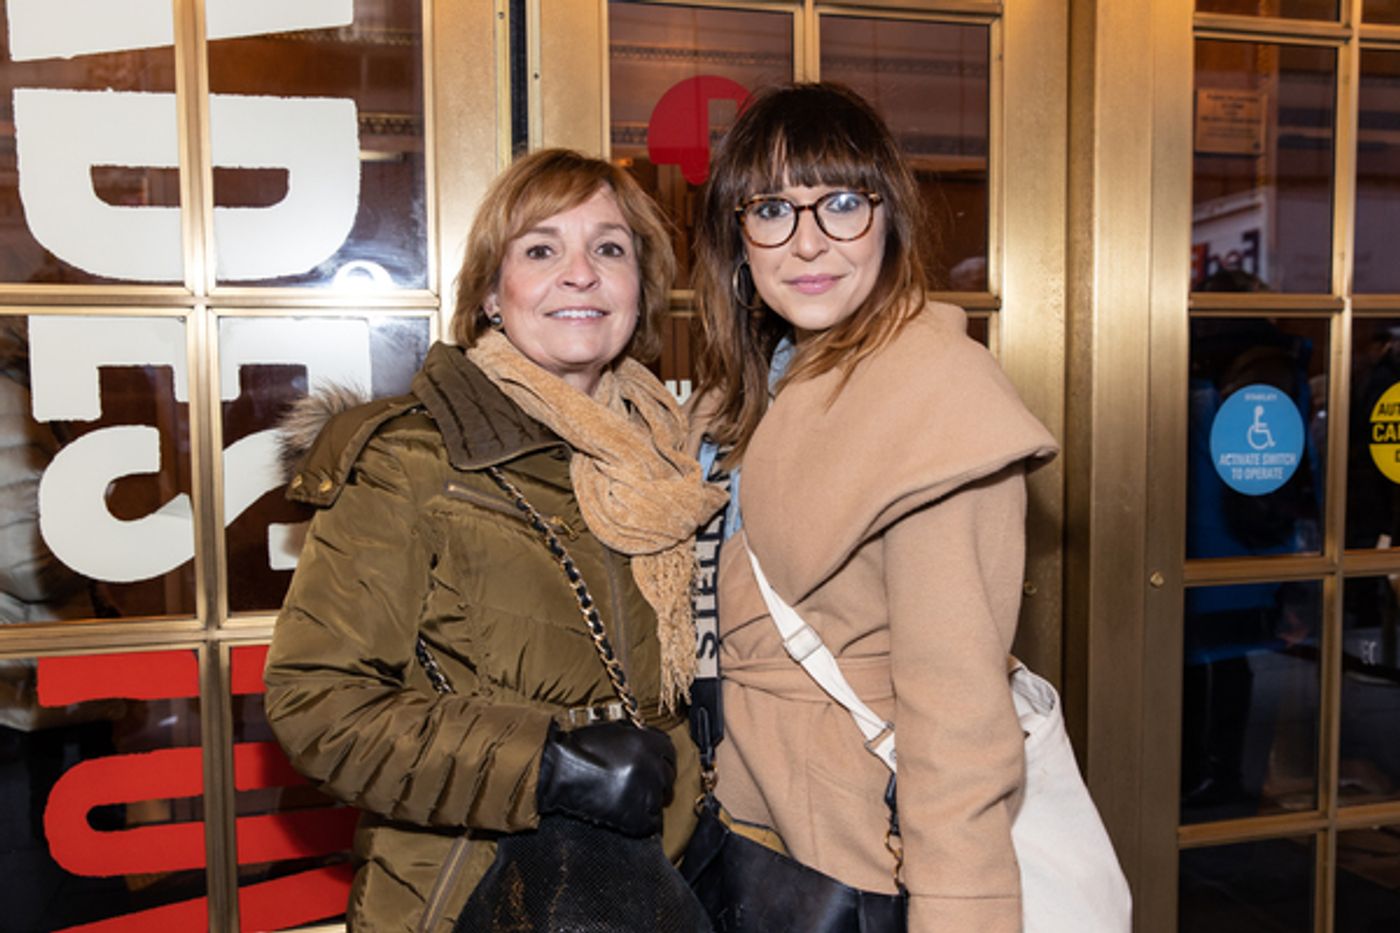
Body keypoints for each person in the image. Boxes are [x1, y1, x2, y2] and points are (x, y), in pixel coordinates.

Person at [264, 148, 726, 932]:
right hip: (466, 898)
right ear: (490, 292)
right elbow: (317, 704)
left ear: (641, 288)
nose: (580, 274)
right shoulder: (413, 460)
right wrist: (547, 764)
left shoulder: (669, 466)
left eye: (609, 249)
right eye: (541, 250)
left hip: (650, 889)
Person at [688, 83, 1058, 931]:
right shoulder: (744, 395)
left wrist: (961, 913)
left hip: (855, 862)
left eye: (843, 203)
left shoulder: (935, 398)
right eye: (772, 209)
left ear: (890, 219)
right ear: (738, 239)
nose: (808, 240)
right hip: (742, 841)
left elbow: (957, 716)